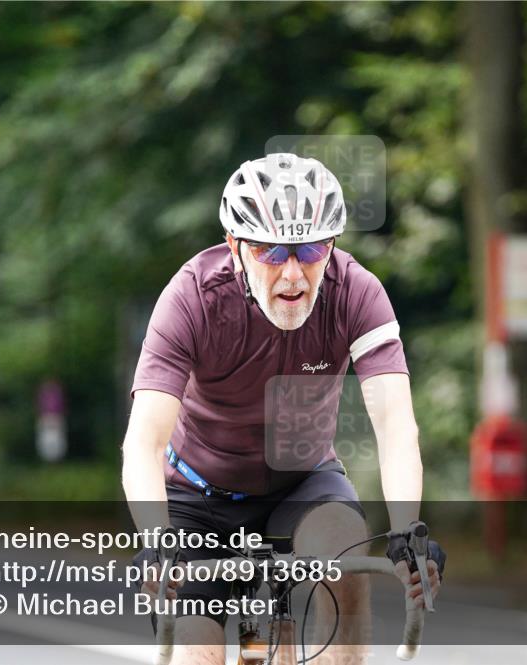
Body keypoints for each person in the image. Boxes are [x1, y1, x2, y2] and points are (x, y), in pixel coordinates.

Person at [121, 152, 445, 665]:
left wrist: (407, 529)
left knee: (348, 558)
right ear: (235, 246)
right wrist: (157, 537)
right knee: (197, 654)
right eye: (272, 252)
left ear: (332, 245)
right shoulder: (192, 297)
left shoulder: (356, 293)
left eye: (311, 249)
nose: (293, 274)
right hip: (196, 495)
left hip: (303, 480)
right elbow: (144, 441)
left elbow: (395, 427)